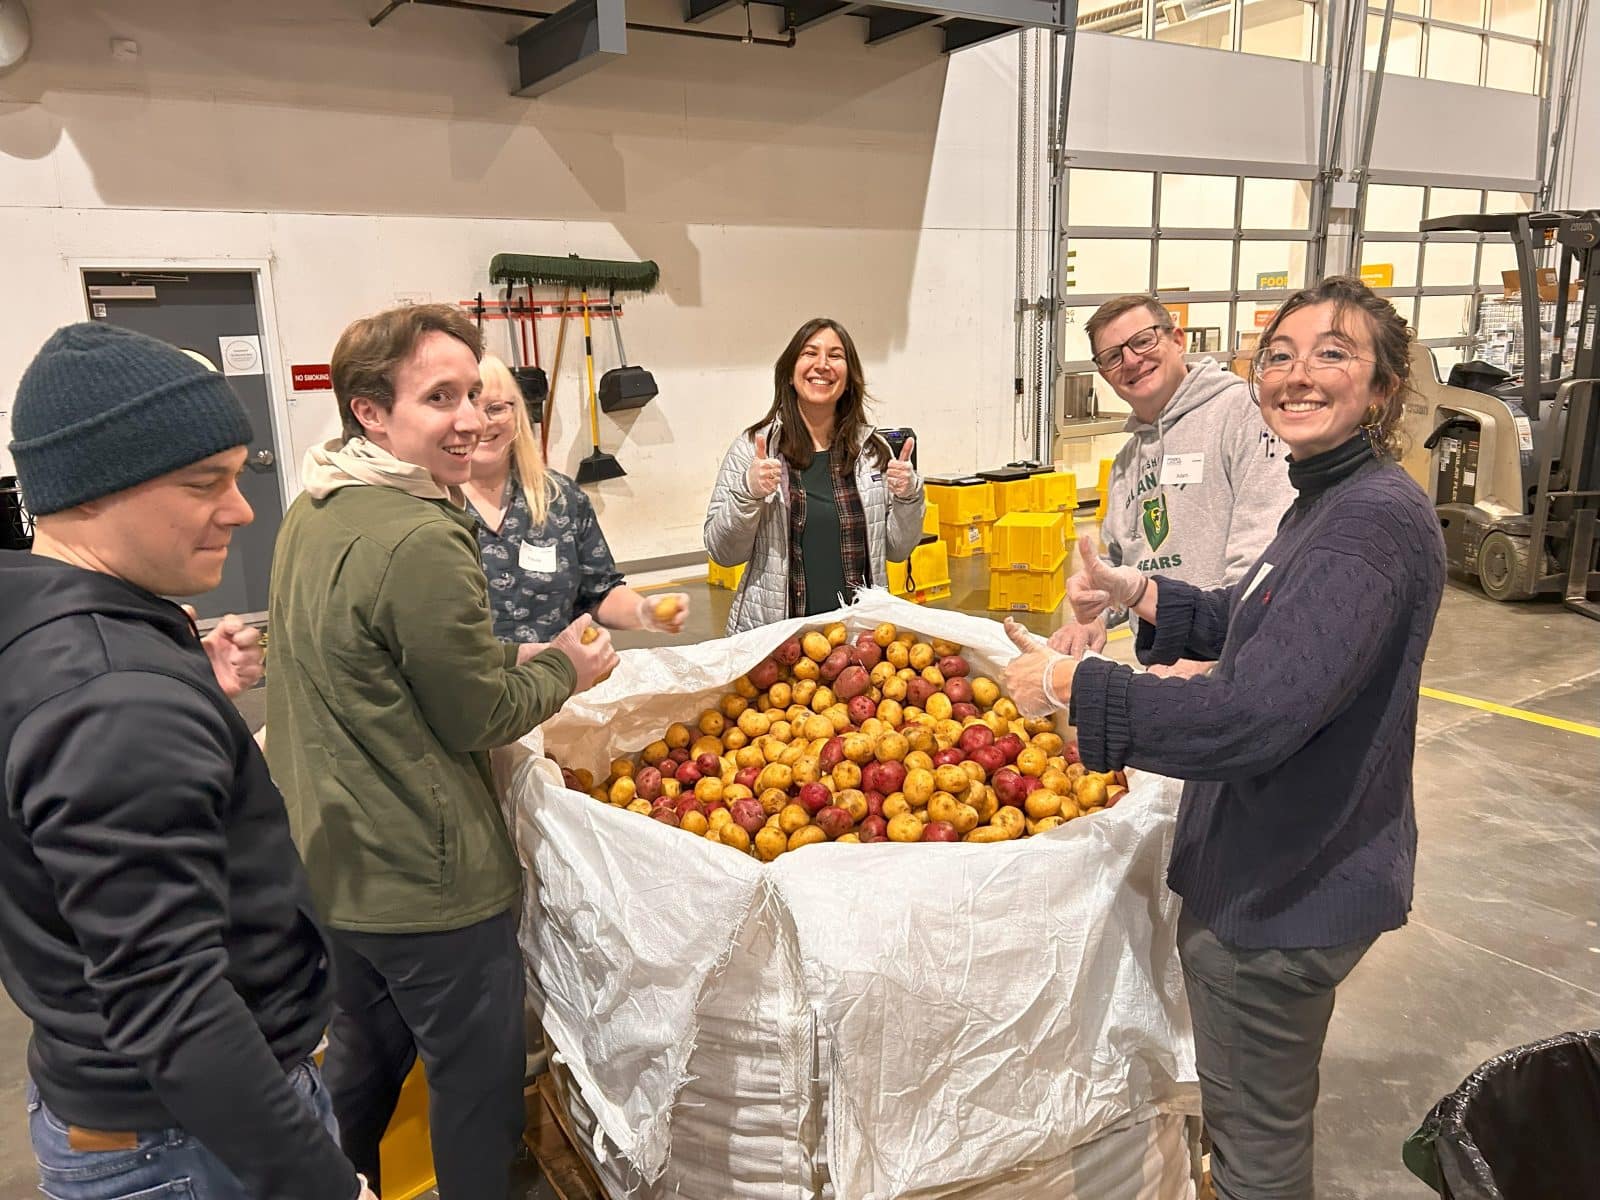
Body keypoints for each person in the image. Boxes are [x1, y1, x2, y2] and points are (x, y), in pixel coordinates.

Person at [1003, 277, 1446, 1199]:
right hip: (1289, 850)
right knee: (1256, 1111)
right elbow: (1261, 616)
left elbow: (1252, 714)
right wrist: (1143, 595)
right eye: (1279, 354)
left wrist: (1073, 686)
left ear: (1386, 384)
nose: (1297, 373)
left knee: (1256, 1146)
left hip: (1286, 882)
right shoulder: (1329, 498)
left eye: (1334, 353)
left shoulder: (1363, 527)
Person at [0, 323, 370, 1199]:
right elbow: (176, 1006)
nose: (242, 510)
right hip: (191, 1147)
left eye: (239, 476)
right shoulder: (114, 697)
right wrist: (322, 1183)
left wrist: (181, 688)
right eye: (204, 483)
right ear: (94, 491)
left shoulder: (49, 632)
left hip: (115, 1102)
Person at [264, 304, 617, 1199]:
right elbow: (477, 716)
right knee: (476, 1094)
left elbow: (381, 663)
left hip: (337, 858)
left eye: (474, 392)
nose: (470, 418)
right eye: (439, 397)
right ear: (371, 412)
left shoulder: (317, 505)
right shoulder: (421, 533)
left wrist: (505, 654)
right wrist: (565, 670)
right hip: (428, 878)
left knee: (362, 1066)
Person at [1052, 295, 1294, 670]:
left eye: (1143, 340)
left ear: (1177, 340)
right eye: (1113, 356)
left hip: (1234, 664)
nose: (1131, 360)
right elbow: (1125, 565)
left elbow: (1266, 551)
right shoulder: (1126, 462)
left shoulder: (1243, 416)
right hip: (1162, 668)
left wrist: (1212, 657)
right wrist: (1096, 613)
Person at [705, 317, 925, 634]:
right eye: (810, 353)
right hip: (777, 641)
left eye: (835, 356)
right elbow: (723, 553)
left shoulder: (873, 452)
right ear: (790, 373)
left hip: (859, 639)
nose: (822, 365)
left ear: (849, 379)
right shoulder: (756, 448)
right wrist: (747, 492)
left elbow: (898, 549)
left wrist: (909, 497)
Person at [462, 353, 689, 643]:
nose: (482, 421)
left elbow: (599, 591)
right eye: (469, 405)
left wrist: (644, 611)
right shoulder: (428, 506)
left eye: (496, 408)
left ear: (517, 414)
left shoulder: (561, 499)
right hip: (464, 687)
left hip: (555, 681)